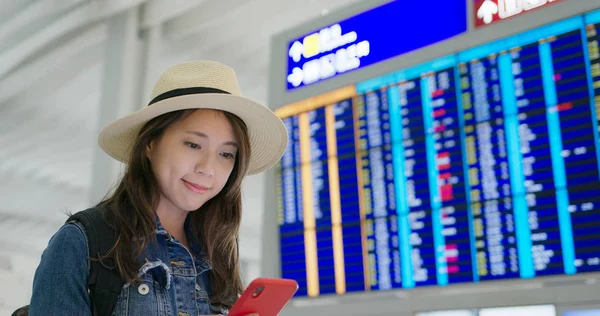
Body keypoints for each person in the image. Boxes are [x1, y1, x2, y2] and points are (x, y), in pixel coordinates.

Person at [27, 60, 288, 315]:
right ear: (151, 143)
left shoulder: (218, 258)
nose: (208, 168)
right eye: (193, 145)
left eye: (226, 154)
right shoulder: (81, 243)